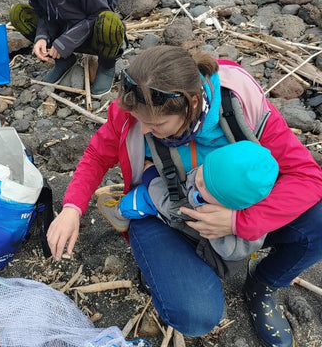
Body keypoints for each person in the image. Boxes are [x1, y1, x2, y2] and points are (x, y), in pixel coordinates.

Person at [47, 45, 322, 347]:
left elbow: (308, 177)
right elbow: (97, 155)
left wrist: (238, 221)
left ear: (191, 104)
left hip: (235, 210)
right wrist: (72, 208)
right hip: (164, 211)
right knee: (195, 317)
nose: (145, 130)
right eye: (140, 121)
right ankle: (166, 262)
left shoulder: (239, 103)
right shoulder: (134, 110)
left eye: (157, 125)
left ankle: (264, 284)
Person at [97, 140, 279, 264]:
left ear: (228, 205)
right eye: (204, 167)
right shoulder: (242, 202)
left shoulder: (207, 213)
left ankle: (120, 212)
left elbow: (171, 206)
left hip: (193, 239)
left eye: (206, 187)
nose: (198, 178)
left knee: (144, 197)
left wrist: (150, 174)